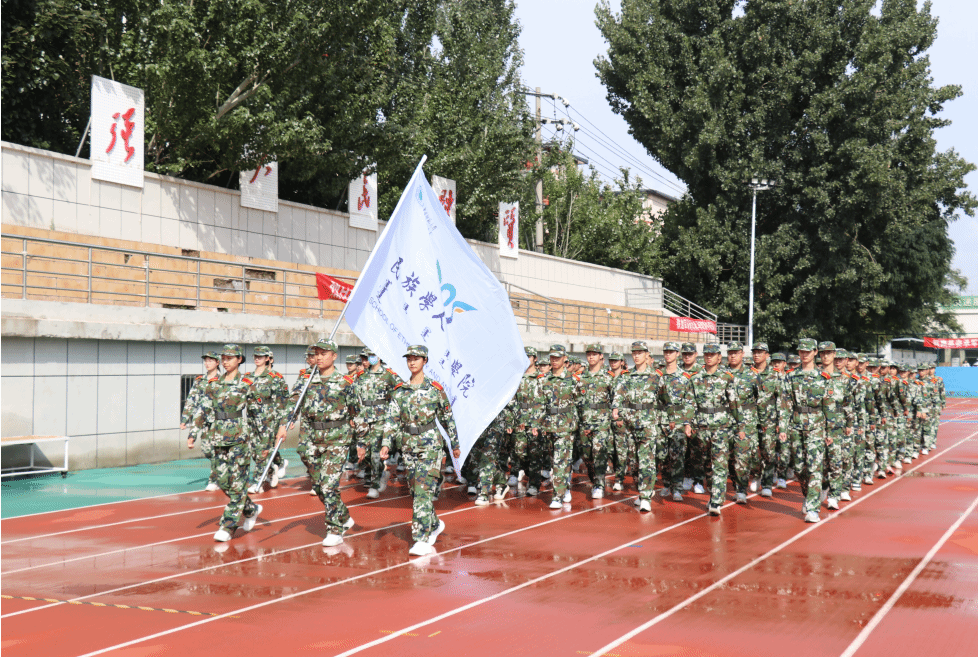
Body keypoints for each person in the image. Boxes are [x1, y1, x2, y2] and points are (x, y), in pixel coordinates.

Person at [379, 345, 461, 556]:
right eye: (409, 358)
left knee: (422, 491)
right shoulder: (400, 391)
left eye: (416, 358)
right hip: (408, 446)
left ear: (425, 361)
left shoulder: (435, 389)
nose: (412, 362)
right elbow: (392, 419)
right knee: (416, 491)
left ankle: (421, 539)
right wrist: (386, 443)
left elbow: (448, 418)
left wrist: (455, 444)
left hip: (430, 446)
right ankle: (434, 524)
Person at [276, 338, 359, 547]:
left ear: (334, 356)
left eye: (324, 353)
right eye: (317, 353)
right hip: (312, 439)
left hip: (337, 439)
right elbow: (293, 403)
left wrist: (362, 443)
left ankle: (334, 529)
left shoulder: (345, 382)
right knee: (320, 485)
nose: (319, 357)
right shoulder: (306, 379)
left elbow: (357, 413)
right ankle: (343, 516)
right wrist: (284, 425)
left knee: (329, 485)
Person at [195, 344, 269, 542]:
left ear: (239, 359)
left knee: (237, 484)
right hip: (218, 439)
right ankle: (251, 509)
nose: (226, 362)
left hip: (238, 439)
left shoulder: (246, 383)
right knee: (223, 481)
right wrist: (194, 432)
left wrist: (263, 444)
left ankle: (228, 526)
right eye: (224, 358)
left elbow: (257, 415)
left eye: (230, 358)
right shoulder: (214, 384)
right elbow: (205, 409)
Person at [690, 343, 746, 515]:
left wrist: (740, 426)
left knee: (720, 464)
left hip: (721, 427)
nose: (709, 357)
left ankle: (716, 500)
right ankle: (712, 492)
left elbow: (734, 404)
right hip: (702, 426)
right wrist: (687, 423)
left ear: (719, 358)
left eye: (712, 354)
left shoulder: (727, 378)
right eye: (707, 354)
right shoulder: (695, 378)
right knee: (707, 464)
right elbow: (690, 402)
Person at [779, 338, 831, 523]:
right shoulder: (790, 376)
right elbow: (785, 403)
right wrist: (783, 427)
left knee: (814, 467)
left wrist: (830, 431)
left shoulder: (824, 377)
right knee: (800, 467)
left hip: (816, 426)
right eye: (801, 351)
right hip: (796, 425)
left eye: (808, 351)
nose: (804, 354)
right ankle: (810, 494)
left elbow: (829, 406)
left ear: (815, 352)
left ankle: (813, 508)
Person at [611, 341, 662, 511]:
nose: (637, 355)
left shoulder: (656, 376)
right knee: (634, 462)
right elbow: (618, 394)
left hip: (648, 424)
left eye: (640, 352)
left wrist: (660, 419)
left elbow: (665, 399)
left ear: (647, 354)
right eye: (634, 353)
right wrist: (616, 409)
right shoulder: (627, 376)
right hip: (630, 424)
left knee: (646, 460)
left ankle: (646, 496)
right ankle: (643, 491)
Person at [352, 347, 402, 498]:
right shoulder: (361, 376)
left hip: (381, 419)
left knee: (375, 454)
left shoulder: (389, 375)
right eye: (367, 356)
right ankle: (381, 473)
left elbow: (398, 395)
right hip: (364, 419)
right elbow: (355, 397)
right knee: (365, 454)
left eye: (372, 355)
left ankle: (374, 485)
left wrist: (394, 416)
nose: (368, 359)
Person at [540, 345, 584, 509]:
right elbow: (539, 404)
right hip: (549, 426)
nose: (554, 360)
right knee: (556, 461)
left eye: (557, 357)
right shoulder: (543, 380)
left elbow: (580, 403)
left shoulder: (573, 380)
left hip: (566, 427)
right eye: (552, 357)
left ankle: (557, 496)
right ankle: (565, 486)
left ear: (565, 358)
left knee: (560, 460)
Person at [246, 346, 290, 493]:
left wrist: (282, 423)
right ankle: (275, 466)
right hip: (252, 419)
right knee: (253, 450)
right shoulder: (247, 377)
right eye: (255, 356)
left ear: (267, 359)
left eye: (261, 356)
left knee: (263, 450)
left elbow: (283, 401)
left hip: (268, 419)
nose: (257, 358)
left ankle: (257, 482)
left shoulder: (274, 377)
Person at [656, 342, 694, 502]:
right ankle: (666, 484)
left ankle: (677, 488)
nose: (668, 355)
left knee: (677, 456)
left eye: (671, 352)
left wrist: (687, 423)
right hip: (660, 420)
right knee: (662, 455)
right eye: (666, 352)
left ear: (678, 354)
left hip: (678, 421)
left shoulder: (684, 377)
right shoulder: (657, 375)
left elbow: (689, 402)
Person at [579, 344, 615, 499]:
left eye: (594, 354)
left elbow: (616, 400)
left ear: (601, 356)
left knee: (599, 453)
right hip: (584, 422)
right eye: (589, 354)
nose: (591, 357)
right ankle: (594, 479)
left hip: (602, 423)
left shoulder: (608, 377)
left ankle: (599, 484)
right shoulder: (580, 377)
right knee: (587, 455)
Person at [182, 351, 222, 492]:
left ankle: (214, 479)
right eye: (206, 361)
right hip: (204, 420)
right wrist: (185, 418)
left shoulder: (223, 380)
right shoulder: (200, 380)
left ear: (217, 362)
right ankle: (222, 469)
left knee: (216, 450)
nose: (207, 363)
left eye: (210, 360)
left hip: (219, 421)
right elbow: (191, 399)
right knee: (207, 450)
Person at [511, 347, 545, 495]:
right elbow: (512, 400)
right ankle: (528, 472)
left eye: (529, 356)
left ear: (535, 359)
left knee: (535, 454)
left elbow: (545, 401)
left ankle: (534, 484)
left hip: (535, 422)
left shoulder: (541, 378)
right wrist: (512, 420)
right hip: (520, 421)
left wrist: (540, 422)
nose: (526, 358)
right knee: (519, 452)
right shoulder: (517, 376)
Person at [752, 341, 783, 497]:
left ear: (767, 355)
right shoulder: (747, 373)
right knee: (751, 452)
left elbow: (781, 399)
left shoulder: (775, 375)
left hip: (769, 420)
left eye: (760, 352)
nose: (757, 354)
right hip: (750, 419)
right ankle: (756, 474)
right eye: (755, 352)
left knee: (769, 453)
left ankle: (767, 483)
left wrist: (780, 422)